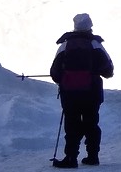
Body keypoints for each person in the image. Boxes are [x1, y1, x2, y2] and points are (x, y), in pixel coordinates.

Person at [49, 13, 114, 168]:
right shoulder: (95, 44)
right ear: (90, 26)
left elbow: (55, 73)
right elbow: (108, 71)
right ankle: (92, 156)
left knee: (71, 124)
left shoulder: (65, 45)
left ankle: (70, 158)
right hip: (92, 92)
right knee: (91, 123)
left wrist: (66, 79)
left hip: (70, 93)